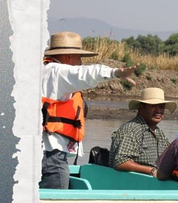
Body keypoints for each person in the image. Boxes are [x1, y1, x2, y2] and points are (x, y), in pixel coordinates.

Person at [40, 31, 137, 189]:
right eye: (79, 57)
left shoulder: (41, 71)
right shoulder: (58, 71)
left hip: (38, 153)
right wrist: (115, 72)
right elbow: (85, 74)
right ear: (68, 56)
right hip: (51, 157)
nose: (80, 63)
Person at [108, 88, 176, 177]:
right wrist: (152, 171)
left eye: (161, 106)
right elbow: (121, 162)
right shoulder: (132, 129)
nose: (159, 110)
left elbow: (170, 156)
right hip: (133, 184)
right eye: (154, 106)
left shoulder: (159, 132)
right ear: (141, 108)